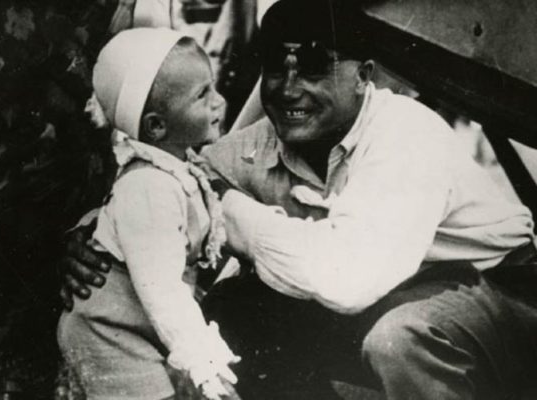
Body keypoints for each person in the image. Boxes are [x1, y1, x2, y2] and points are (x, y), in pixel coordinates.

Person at [61, 1, 537, 399]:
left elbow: (349, 280)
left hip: (493, 293)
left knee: (401, 338)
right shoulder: (257, 144)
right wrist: (96, 235)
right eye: (276, 66)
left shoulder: (406, 134)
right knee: (237, 308)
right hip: (389, 298)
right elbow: (167, 185)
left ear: (363, 76)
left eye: (313, 67)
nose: (289, 89)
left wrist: (229, 208)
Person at [57, 28, 241, 400]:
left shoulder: (177, 167)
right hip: (109, 328)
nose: (219, 102)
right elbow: (161, 289)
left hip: (140, 320)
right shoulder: (148, 188)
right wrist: (202, 358)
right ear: (157, 126)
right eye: (202, 95)